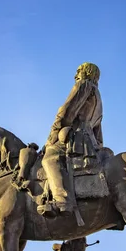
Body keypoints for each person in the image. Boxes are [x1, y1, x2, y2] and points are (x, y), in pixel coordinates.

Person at [39, 62, 103, 217]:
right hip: (90, 141)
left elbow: (67, 110)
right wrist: (98, 146)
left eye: (79, 71)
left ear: (86, 73)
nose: (76, 75)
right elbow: (98, 128)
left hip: (77, 137)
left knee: (49, 159)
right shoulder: (99, 97)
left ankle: (61, 201)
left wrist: (53, 133)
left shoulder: (83, 85)